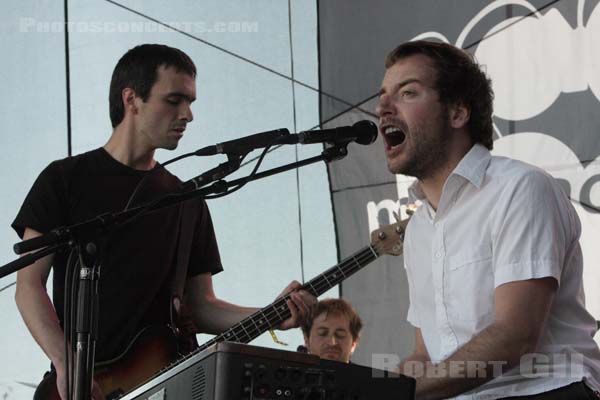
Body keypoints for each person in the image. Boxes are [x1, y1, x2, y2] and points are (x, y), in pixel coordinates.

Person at [12, 44, 313, 400]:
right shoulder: (64, 179)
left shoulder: (188, 200)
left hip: (170, 387)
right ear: (132, 99)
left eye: (191, 102)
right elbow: (28, 287)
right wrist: (66, 363)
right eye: (174, 100)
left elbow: (200, 308)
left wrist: (272, 315)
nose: (188, 115)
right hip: (83, 385)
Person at [376, 40, 600, 399]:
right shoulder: (418, 229)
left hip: (548, 390)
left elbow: (515, 334)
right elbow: (425, 353)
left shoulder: (519, 188)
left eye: (408, 92)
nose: (383, 107)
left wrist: (404, 394)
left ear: (457, 113)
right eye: (383, 95)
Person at [301, 298, 362, 363]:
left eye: (340, 335)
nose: (332, 343)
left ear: (353, 344)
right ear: (306, 340)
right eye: (322, 333)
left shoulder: (371, 373)